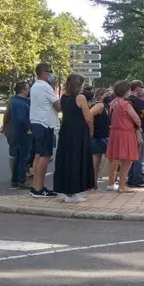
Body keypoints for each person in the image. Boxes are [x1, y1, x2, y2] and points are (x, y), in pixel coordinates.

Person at [53, 74, 96, 203]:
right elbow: (88, 117)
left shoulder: (64, 97)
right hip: (78, 131)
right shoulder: (80, 97)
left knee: (66, 160)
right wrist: (91, 131)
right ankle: (74, 191)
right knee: (77, 159)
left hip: (66, 131)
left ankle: (66, 190)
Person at [28, 62, 61, 198]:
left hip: (36, 122)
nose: (51, 74)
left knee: (38, 155)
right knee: (45, 157)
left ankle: (35, 186)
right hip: (44, 124)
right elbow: (58, 106)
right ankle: (39, 188)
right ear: (44, 73)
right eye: (50, 71)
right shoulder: (46, 87)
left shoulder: (35, 86)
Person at [105, 80, 141, 193]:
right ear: (126, 91)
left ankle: (111, 183)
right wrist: (138, 126)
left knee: (115, 158)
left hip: (115, 132)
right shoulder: (125, 104)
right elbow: (136, 119)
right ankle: (122, 185)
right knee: (127, 159)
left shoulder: (113, 103)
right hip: (126, 132)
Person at [127, 81, 144, 188]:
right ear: (137, 88)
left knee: (133, 156)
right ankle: (137, 179)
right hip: (139, 130)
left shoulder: (127, 100)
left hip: (130, 130)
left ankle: (132, 177)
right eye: (142, 87)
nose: (143, 89)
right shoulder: (136, 101)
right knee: (138, 156)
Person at [8, 82, 32, 189]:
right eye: (28, 88)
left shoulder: (16, 101)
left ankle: (15, 180)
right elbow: (21, 119)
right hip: (23, 133)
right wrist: (29, 129)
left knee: (18, 157)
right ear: (23, 90)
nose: (29, 90)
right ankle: (21, 180)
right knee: (23, 158)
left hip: (17, 133)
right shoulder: (20, 103)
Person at [88, 88, 110, 182]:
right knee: (95, 163)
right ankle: (92, 184)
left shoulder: (105, 106)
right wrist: (92, 130)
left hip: (102, 135)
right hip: (98, 136)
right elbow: (89, 115)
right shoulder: (99, 105)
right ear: (100, 95)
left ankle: (94, 184)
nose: (108, 95)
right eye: (106, 94)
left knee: (96, 163)